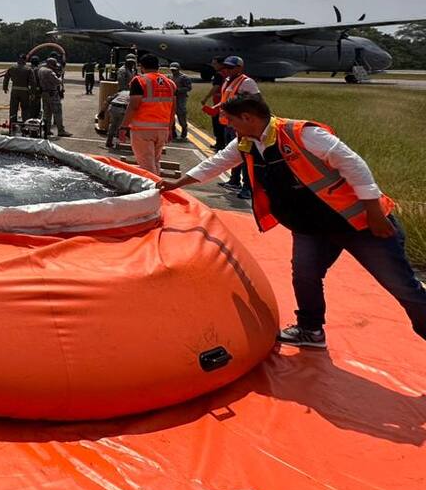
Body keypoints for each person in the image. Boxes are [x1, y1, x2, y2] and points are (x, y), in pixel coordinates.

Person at [158, 94, 426, 348]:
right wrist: (177, 183)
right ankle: (310, 329)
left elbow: (354, 165)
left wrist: (374, 213)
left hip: (359, 223)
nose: (229, 127)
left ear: (249, 117)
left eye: (232, 121)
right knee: (305, 276)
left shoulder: (303, 134)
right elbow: (215, 164)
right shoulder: (246, 143)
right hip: (311, 227)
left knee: (402, 287)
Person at [208, 56, 260, 199]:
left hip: (241, 126)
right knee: (233, 155)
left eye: (231, 68)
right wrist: (216, 107)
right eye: (226, 67)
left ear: (239, 68)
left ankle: (247, 187)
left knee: (245, 155)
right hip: (229, 124)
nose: (227, 70)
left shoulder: (247, 82)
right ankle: (234, 180)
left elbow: (257, 101)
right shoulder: (227, 81)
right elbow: (227, 101)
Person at [119, 54, 175, 175]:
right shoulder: (170, 83)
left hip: (143, 130)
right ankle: (157, 187)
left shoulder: (139, 81)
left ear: (141, 67)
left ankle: (152, 191)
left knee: (146, 166)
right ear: (158, 67)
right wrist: (170, 128)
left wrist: (123, 126)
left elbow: (133, 106)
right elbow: (172, 108)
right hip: (162, 130)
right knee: (154, 162)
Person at [38, 57, 72, 138]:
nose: (55, 67)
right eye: (53, 65)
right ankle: (61, 130)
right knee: (57, 112)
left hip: (44, 93)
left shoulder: (41, 70)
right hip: (52, 93)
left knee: (47, 113)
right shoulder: (49, 71)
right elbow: (57, 82)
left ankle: (47, 129)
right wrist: (60, 77)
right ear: (50, 64)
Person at [3, 53, 38, 125]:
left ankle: (12, 125)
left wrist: (5, 87)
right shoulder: (28, 69)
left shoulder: (12, 68)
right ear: (25, 60)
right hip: (25, 91)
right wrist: (33, 93)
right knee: (25, 109)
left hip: (14, 90)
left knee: (13, 109)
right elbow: (33, 82)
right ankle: (25, 124)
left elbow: (6, 78)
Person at [168, 61, 193, 141]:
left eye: (175, 70)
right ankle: (173, 134)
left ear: (178, 69)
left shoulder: (184, 77)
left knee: (181, 116)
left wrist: (178, 90)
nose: (173, 71)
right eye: (172, 70)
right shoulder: (170, 77)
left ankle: (183, 134)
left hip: (181, 99)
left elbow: (189, 88)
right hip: (172, 99)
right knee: (171, 117)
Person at [24, 55, 43, 121]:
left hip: (27, 90)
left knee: (29, 105)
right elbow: (40, 81)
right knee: (36, 105)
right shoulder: (38, 70)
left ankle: (28, 118)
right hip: (36, 91)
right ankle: (35, 119)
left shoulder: (27, 68)